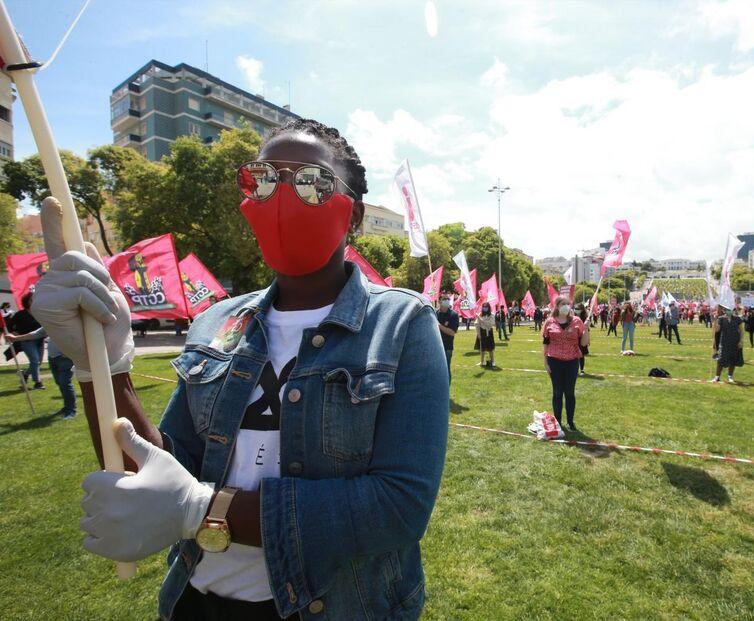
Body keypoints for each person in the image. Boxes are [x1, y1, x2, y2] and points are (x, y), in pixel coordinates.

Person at [32, 118, 449, 620]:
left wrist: (200, 509)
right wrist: (105, 364)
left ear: (354, 214)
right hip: (196, 601)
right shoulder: (215, 321)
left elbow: (398, 509)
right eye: (262, 179)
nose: (281, 198)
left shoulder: (403, 323)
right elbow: (158, 468)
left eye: (311, 182)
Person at [542, 296, 587, 431]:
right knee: (557, 392)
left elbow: (584, 343)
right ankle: (558, 423)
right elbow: (545, 343)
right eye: (563, 303)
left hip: (572, 361)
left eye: (568, 304)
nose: (566, 306)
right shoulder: (549, 322)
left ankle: (570, 422)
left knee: (569, 393)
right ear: (557, 306)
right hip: (554, 361)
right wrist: (545, 362)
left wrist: (586, 329)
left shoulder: (577, 321)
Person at [8, 292, 46, 390]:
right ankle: (38, 383)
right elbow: (10, 325)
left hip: (39, 341)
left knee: (38, 362)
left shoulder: (40, 312)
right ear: (27, 302)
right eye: (31, 299)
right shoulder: (21, 314)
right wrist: (14, 333)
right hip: (27, 341)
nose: (34, 301)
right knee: (35, 361)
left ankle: (24, 374)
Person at [712, 303, 744, 383]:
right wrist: (715, 320)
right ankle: (717, 377)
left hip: (735, 341)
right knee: (720, 359)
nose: (728, 311)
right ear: (724, 311)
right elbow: (717, 330)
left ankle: (730, 377)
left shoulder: (737, 319)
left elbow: (742, 330)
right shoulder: (721, 319)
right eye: (726, 310)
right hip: (724, 342)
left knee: (732, 359)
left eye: (730, 309)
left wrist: (741, 341)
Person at [436, 294, 460, 383]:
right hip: (435, 347)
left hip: (447, 348)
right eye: (444, 299)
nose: (446, 300)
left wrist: (438, 325)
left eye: (448, 299)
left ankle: (446, 392)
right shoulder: (435, 313)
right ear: (439, 301)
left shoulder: (453, 315)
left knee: (446, 369)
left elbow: (452, 332)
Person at [476, 303, 497, 368]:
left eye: (486, 307)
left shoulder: (492, 315)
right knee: (482, 349)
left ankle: (493, 361)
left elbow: (490, 324)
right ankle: (482, 361)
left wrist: (481, 319)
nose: (485, 308)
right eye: (484, 307)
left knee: (490, 348)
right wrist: (478, 334)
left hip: (489, 332)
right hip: (482, 332)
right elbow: (477, 324)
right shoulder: (480, 315)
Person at [575, 304, 590, 375]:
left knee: (581, 354)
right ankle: (575, 369)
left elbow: (587, 330)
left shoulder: (585, 317)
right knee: (574, 354)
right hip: (574, 337)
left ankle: (582, 370)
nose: (576, 310)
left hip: (582, 337)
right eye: (576, 308)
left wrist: (588, 339)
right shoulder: (572, 316)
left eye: (578, 309)